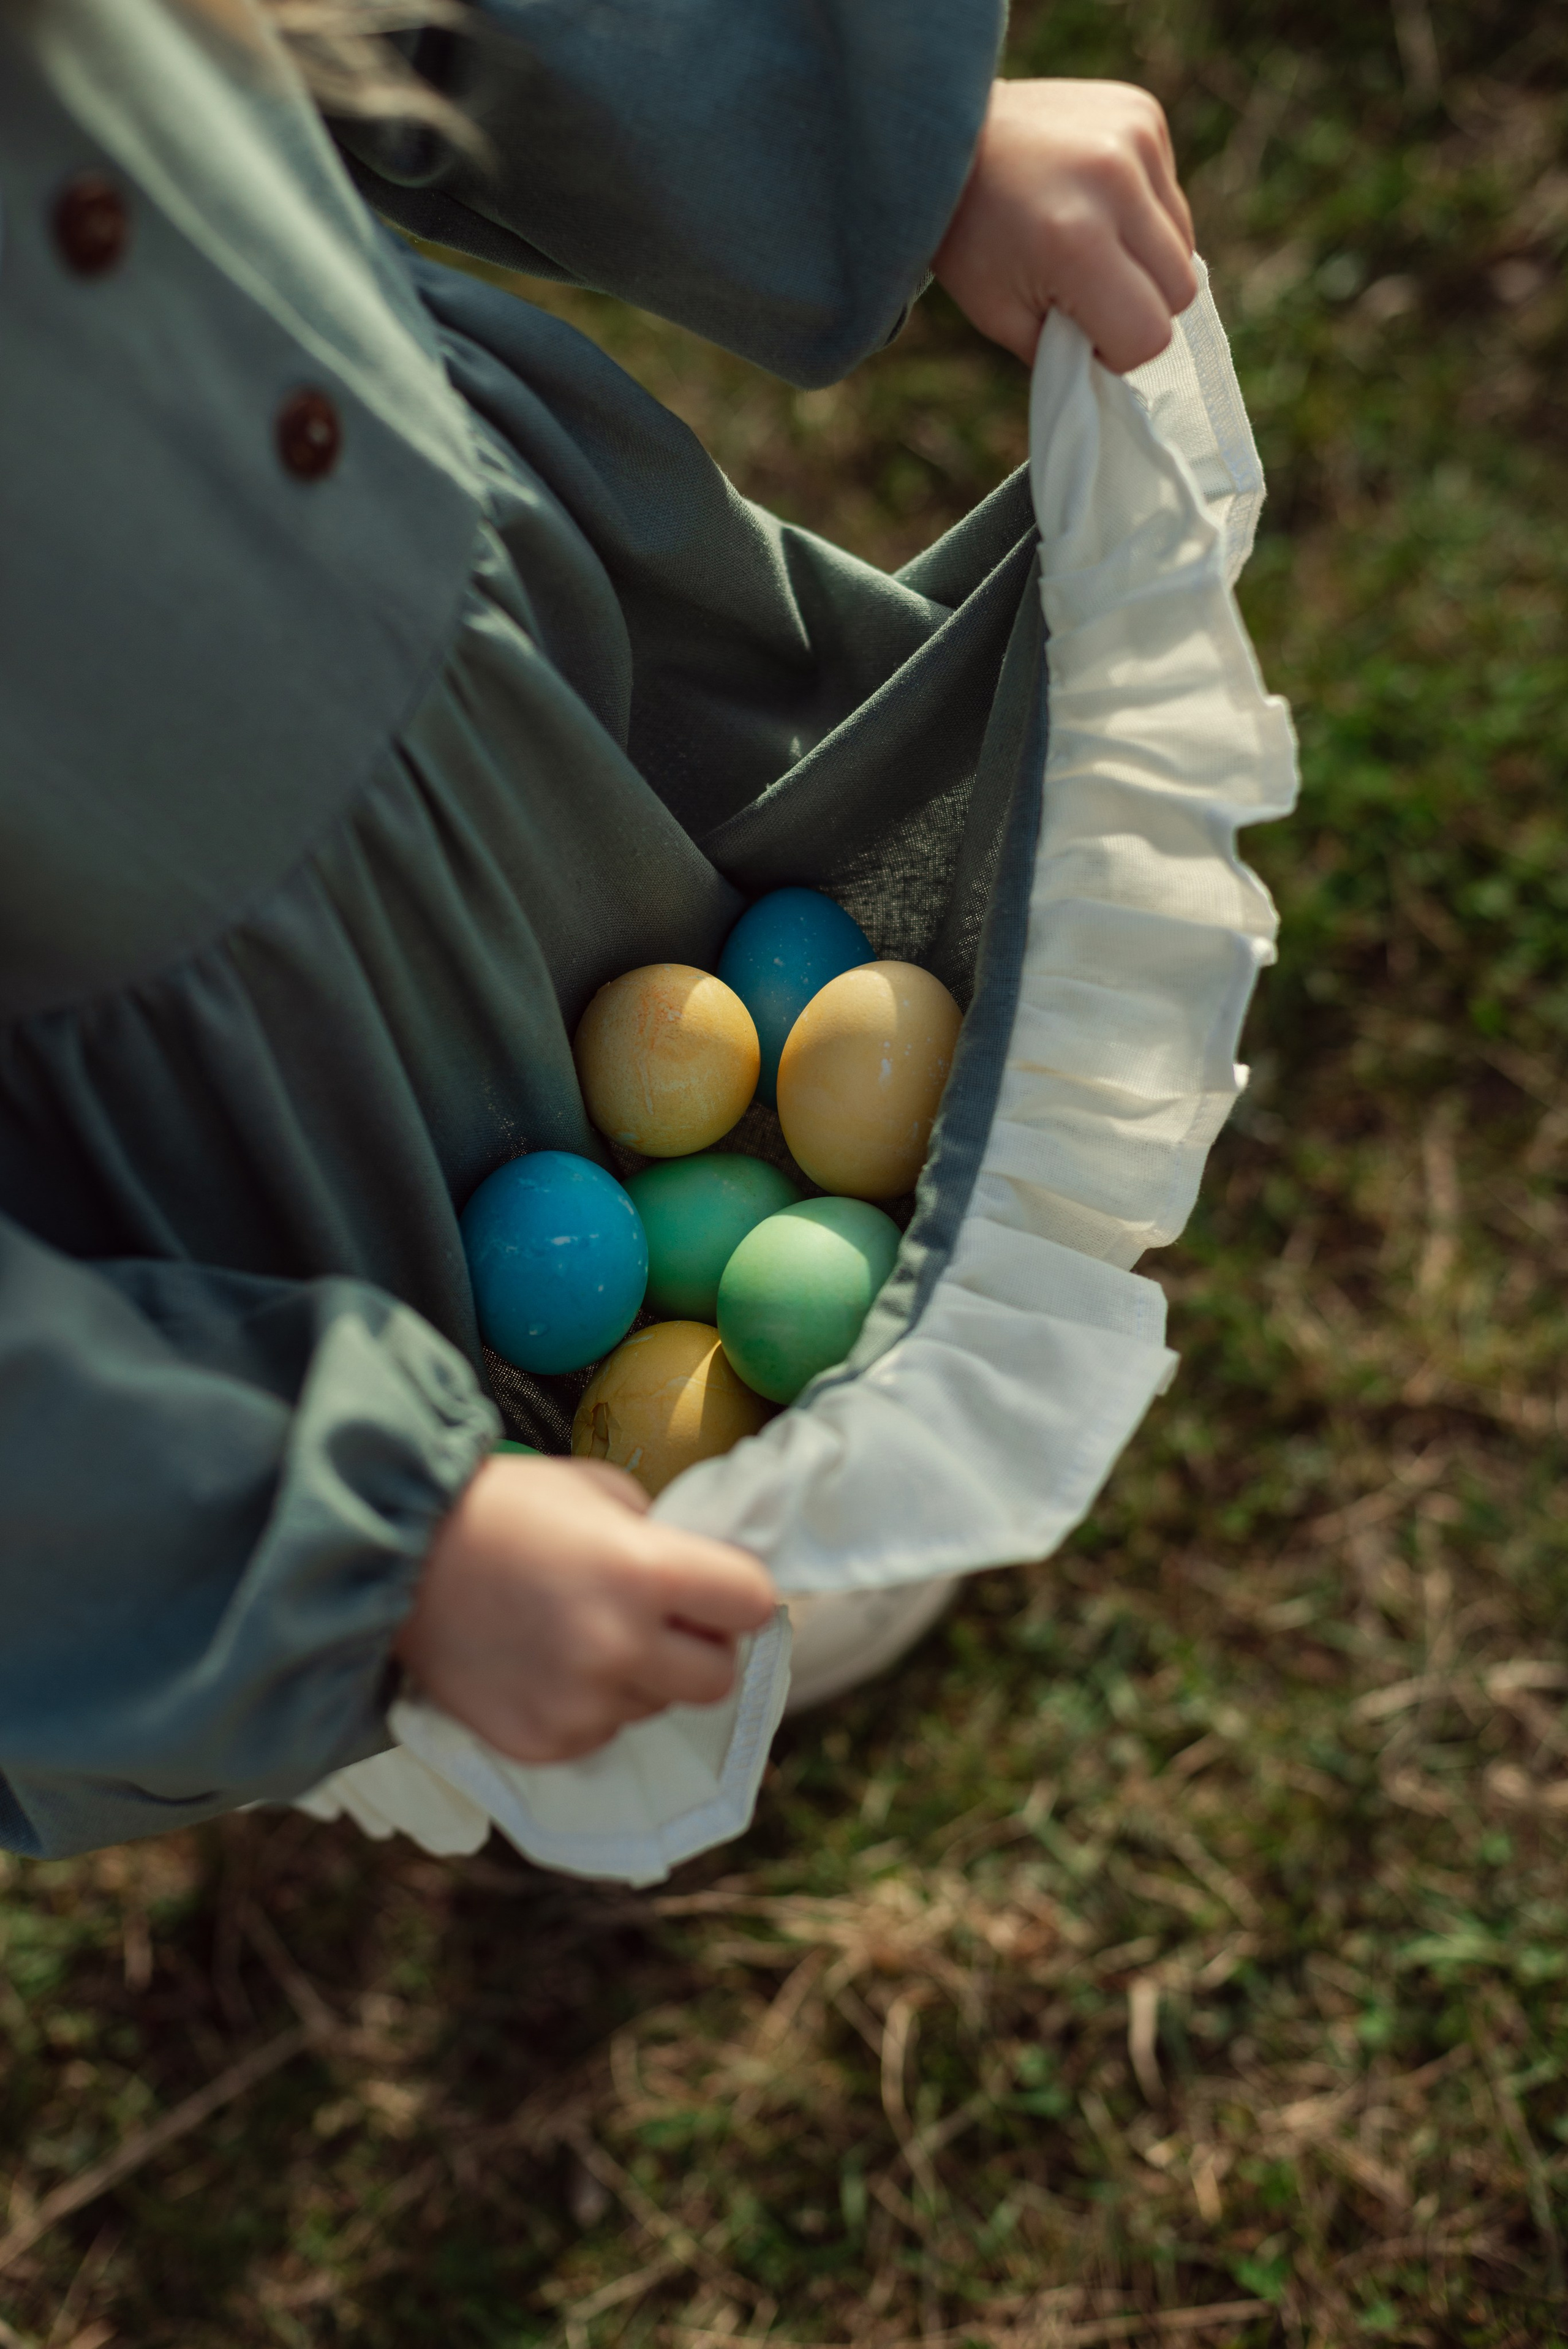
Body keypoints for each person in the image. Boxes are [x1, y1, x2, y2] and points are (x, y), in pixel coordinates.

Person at [0, 0, 1195, 1858]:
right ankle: (565, 1569)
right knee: (492, 1352)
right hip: (204, 1038)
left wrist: (856, 132)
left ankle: (757, 1503)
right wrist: (352, 1550)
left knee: (662, 1020)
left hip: (470, 632)